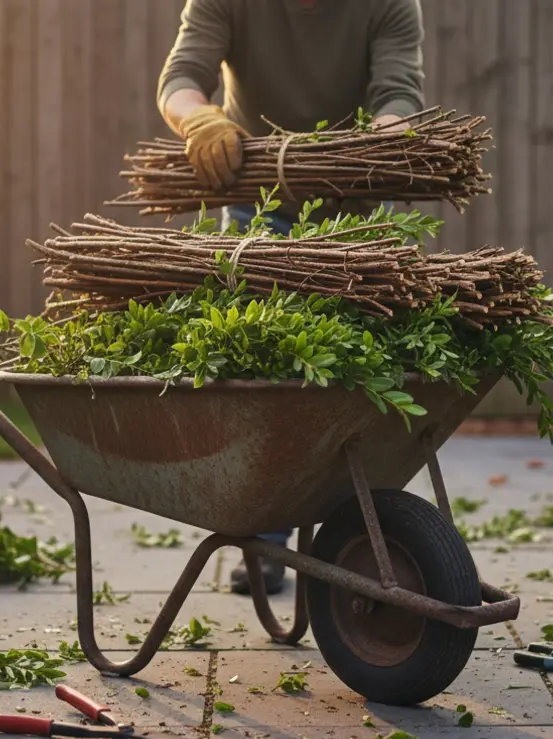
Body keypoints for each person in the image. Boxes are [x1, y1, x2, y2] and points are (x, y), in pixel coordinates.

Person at [157, 0, 426, 595]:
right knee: (270, 374)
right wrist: (201, 122)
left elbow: (399, 92)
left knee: (357, 373)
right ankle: (268, 539)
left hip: (353, 202)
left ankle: (358, 536)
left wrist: (381, 143)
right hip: (258, 199)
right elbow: (181, 79)